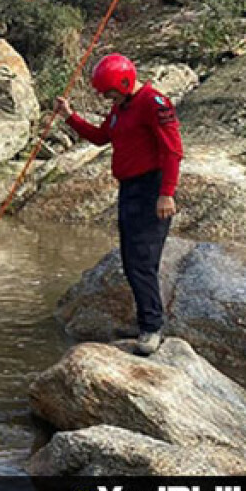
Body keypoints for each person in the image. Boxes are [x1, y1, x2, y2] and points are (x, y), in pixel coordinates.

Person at [54, 53, 183, 356]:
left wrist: (166, 193)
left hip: (152, 189)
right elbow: (101, 138)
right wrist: (69, 116)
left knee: (142, 262)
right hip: (129, 190)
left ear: (124, 82)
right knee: (130, 260)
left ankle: (152, 328)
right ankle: (145, 321)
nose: (106, 97)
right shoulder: (119, 108)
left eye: (109, 91)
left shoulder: (154, 103)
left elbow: (173, 151)